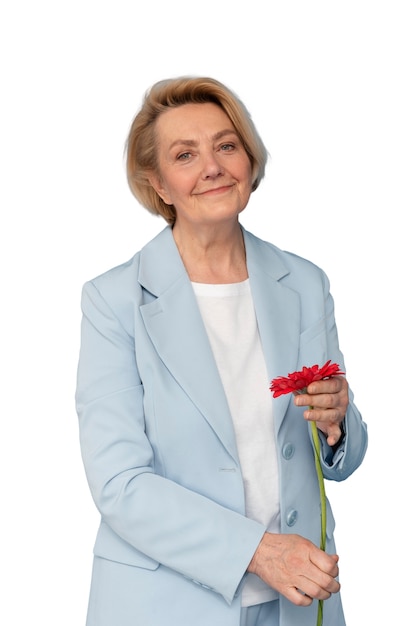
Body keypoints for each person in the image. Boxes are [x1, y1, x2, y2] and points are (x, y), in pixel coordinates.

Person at [75, 76, 368, 626]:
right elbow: (120, 485)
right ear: (159, 184)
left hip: (297, 604)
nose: (212, 166)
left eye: (226, 145)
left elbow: (341, 461)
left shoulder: (303, 284)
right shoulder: (114, 301)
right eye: (185, 155)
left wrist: (338, 425)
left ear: (249, 163)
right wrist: (259, 552)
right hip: (163, 607)